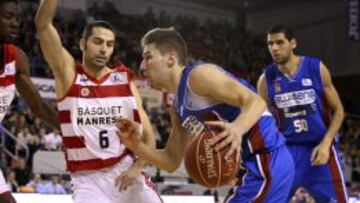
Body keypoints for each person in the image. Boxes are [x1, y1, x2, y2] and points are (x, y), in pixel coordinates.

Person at [117, 27, 294, 203]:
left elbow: (256, 102)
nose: (141, 66)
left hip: (267, 157)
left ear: (171, 58)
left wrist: (236, 128)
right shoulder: (177, 108)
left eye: (148, 57)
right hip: (251, 168)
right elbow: (171, 161)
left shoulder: (198, 76)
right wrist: (136, 145)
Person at [34, 1, 162, 203]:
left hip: (125, 170)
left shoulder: (124, 81)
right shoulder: (68, 74)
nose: (104, 49)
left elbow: (148, 136)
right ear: (82, 44)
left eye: (109, 44)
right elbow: (43, 24)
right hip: (87, 180)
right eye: (98, 42)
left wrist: (136, 168)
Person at [257, 24, 348, 202]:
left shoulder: (316, 68)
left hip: (320, 148)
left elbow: (338, 111)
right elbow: (261, 121)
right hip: (287, 153)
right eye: (270, 44)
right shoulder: (265, 80)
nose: (274, 48)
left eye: (280, 42)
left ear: (293, 43)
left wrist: (326, 142)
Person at [0, 1, 59, 202]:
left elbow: (39, 107)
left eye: (17, 18)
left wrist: (75, 133)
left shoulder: (16, 59)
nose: (15, 23)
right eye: (8, 16)